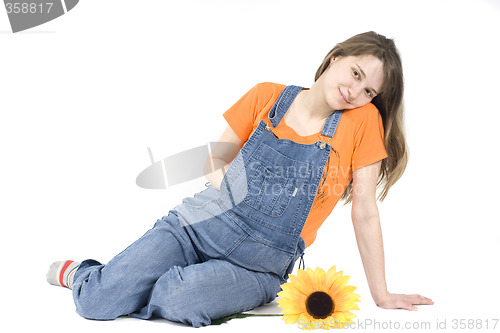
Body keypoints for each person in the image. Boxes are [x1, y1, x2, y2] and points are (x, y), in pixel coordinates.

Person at [47, 31, 433, 327]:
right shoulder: (267, 96)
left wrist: (380, 294)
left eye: (368, 90)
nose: (355, 91)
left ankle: (137, 280)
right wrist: (227, 185)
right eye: (355, 73)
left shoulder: (363, 122)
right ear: (334, 58)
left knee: (181, 298)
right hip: (194, 228)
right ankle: (88, 275)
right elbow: (213, 162)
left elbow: (364, 211)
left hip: (258, 268)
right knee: (95, 303)